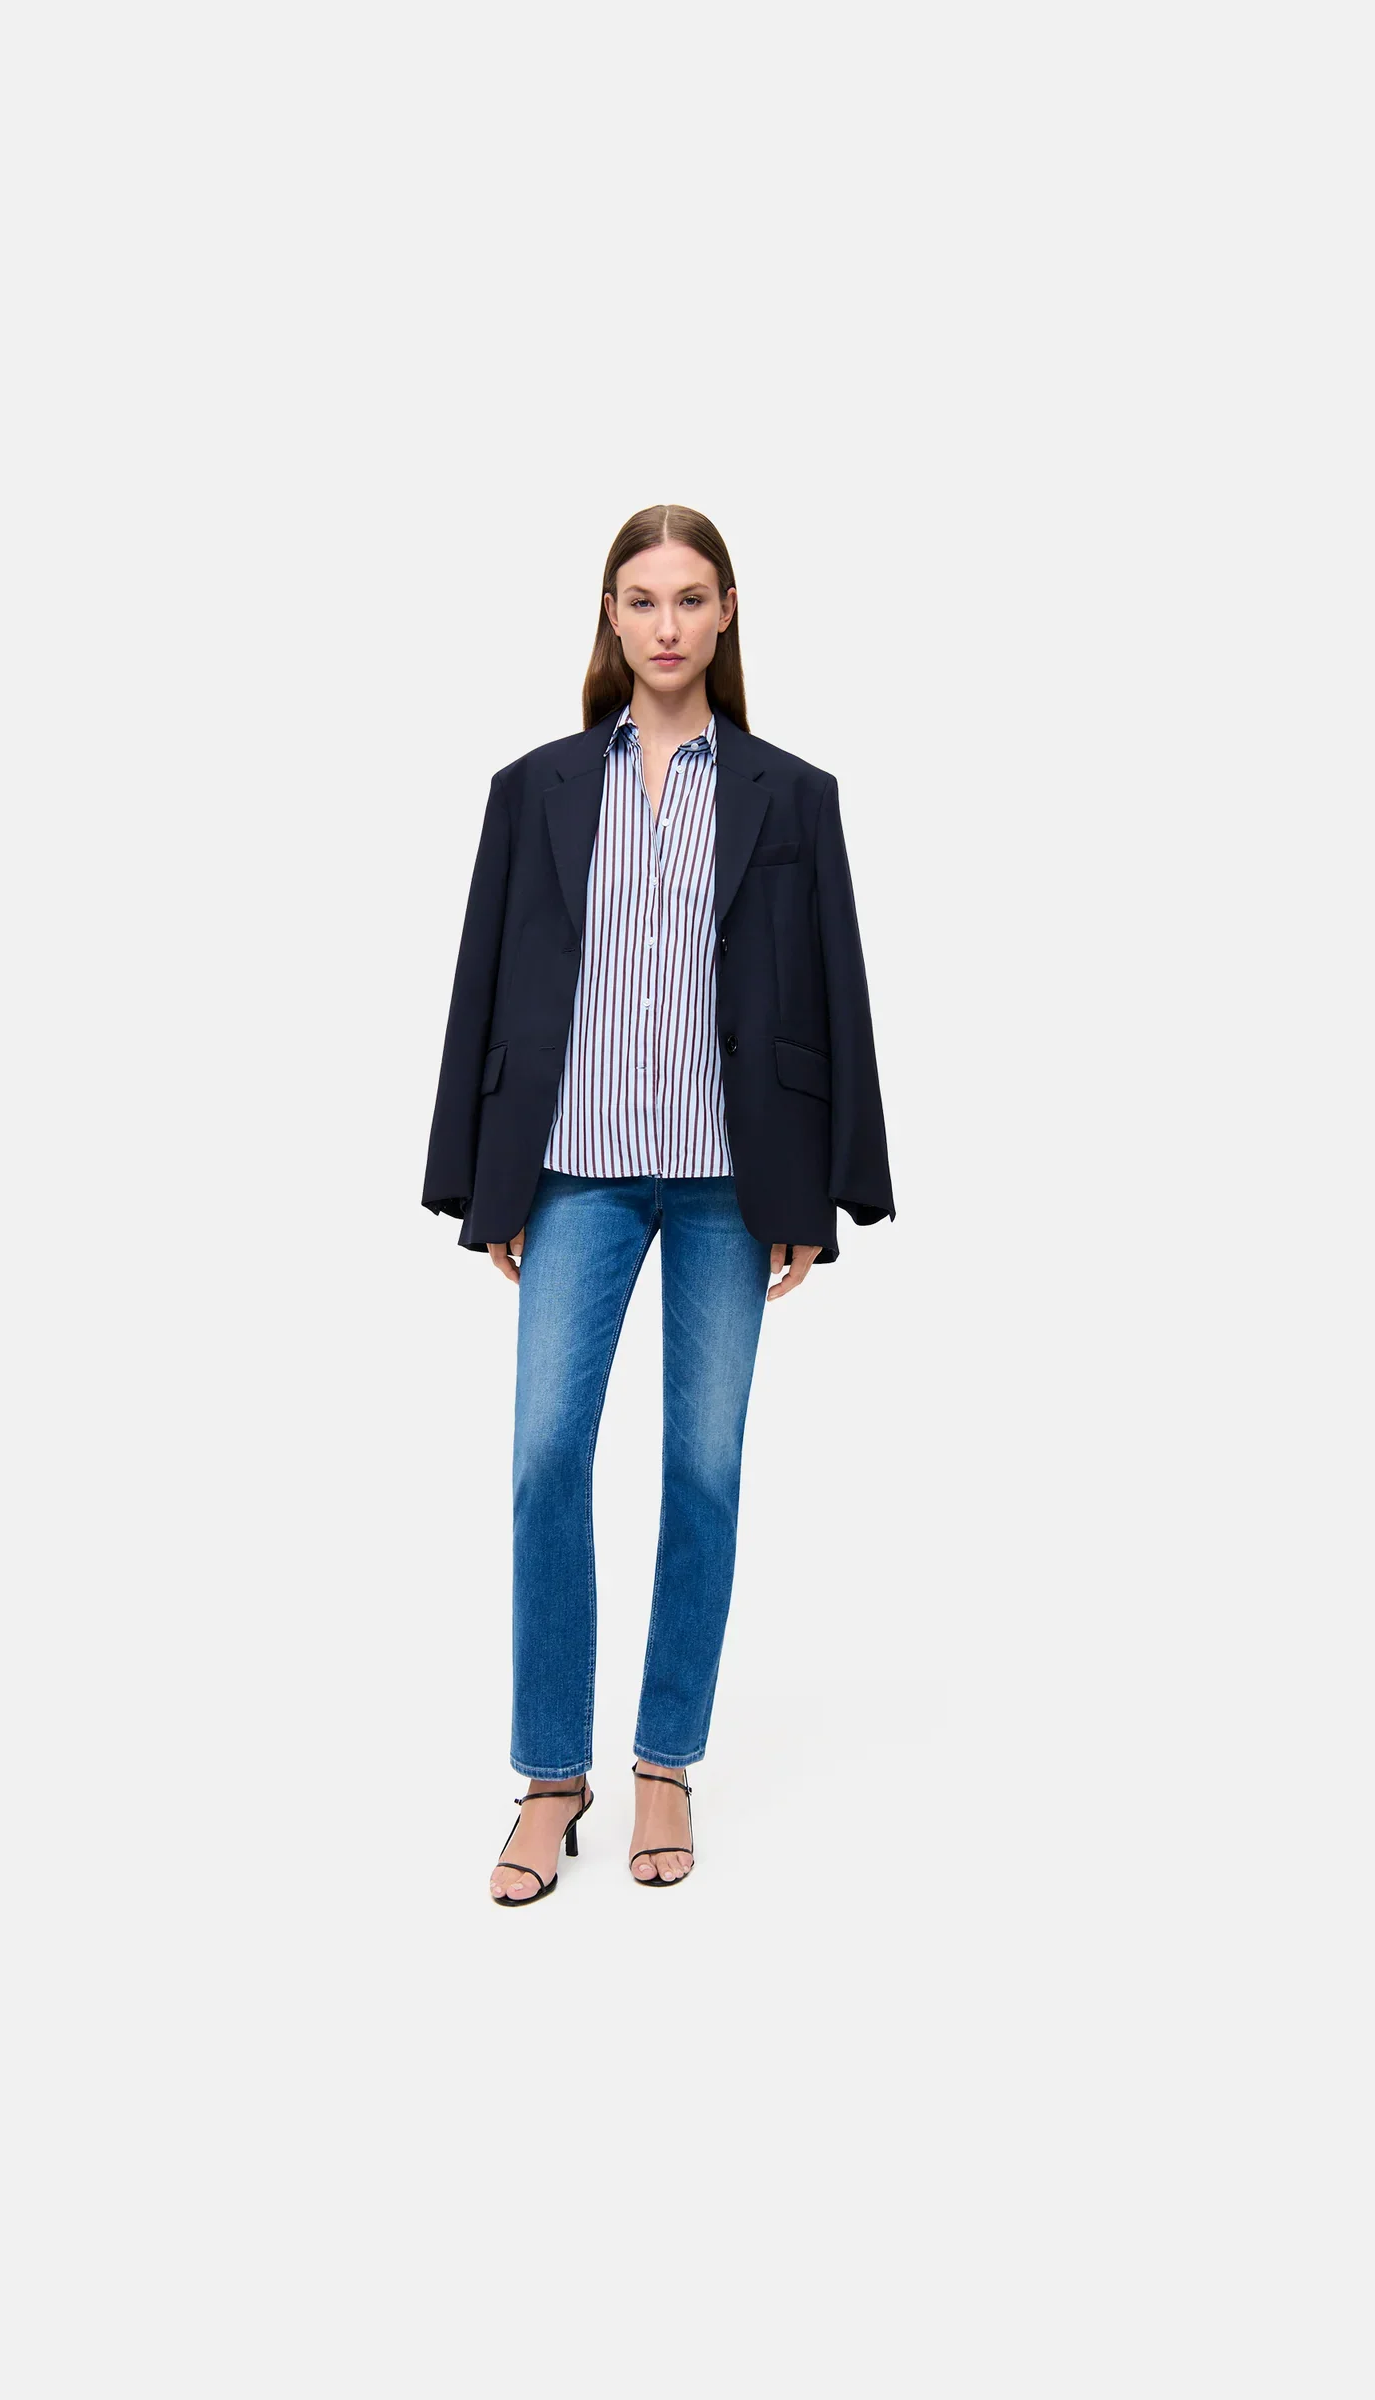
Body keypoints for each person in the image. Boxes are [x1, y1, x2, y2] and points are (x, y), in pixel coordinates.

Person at [421, 504, 895, 1904]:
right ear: (611, 615)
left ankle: (665, 1762)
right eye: (643, 599)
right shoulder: (537, 788)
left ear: (726, 611)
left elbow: (833, 989)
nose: (667, 624)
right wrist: (483, 1179)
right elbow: (486, 978)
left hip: (730, 1183)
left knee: (703, 1469)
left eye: (691, 598)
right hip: (574, 1168)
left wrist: (822, 1187)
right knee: (543, 1459)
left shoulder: (789, 794)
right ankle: (549, 1777)